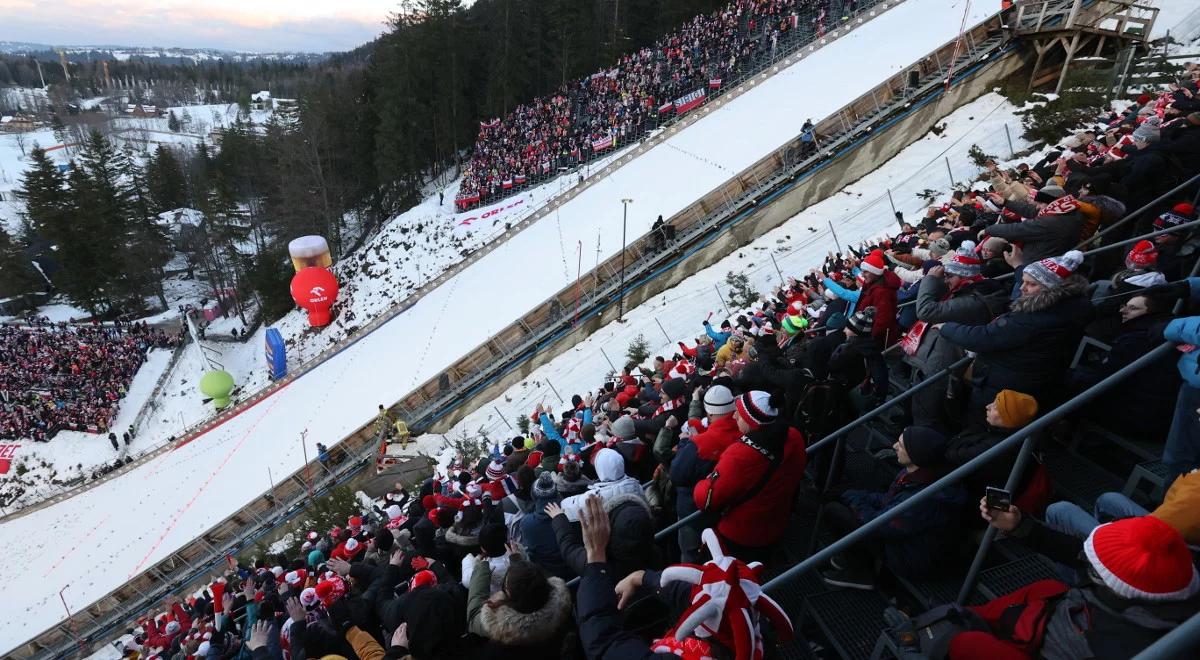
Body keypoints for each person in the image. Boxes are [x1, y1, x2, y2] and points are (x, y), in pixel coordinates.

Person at [955, 509, 1200, 658]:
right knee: (1047, 587)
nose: (1089, 563)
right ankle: (960, 615)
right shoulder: (1172, 566)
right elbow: (1080, 554)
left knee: (965, 644)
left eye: (1096, 569)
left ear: (1115, 589)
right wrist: (1021, 527)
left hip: (1055, 648)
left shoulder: (1123, 644)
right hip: (1065, 616)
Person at [940, 250, 1091, 423]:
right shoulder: (1071, 304)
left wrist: (946, 327)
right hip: (1034, 380)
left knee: (980, 424)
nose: (1021, 287)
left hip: (1005, 388)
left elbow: (985, 338)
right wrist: (1019, 267)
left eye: (1030, 284)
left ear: (1050, 289)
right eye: (1023, 281)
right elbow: (1034, 279)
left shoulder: (1033, 318)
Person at [821, 426, 966, 589]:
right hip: (901, 539)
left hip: (910, 558)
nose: (894, 446)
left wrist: (850, 497)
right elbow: (887, 501)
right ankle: (855, 557)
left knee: (835, 512)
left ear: (917, 455)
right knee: (844, 499)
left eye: (902, 445)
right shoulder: (914, 473)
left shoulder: (927, 498)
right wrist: (851, 494)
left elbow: (878, 525)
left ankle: (860, 573)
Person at [693, 391, 806, 564]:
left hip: (741, 536)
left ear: (752, 421)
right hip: (777, 522)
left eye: (740, 412)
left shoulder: (741, 454)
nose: (735, 415)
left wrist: (705, 481)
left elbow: (705, 498)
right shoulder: (794, 435)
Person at [669, 384, 739, 563]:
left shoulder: (701, 443)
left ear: (709, 413)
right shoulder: (745, 427)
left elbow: (677, 475)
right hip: (732, 505)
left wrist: (686, 443)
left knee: (691, 554)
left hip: (697, 511)